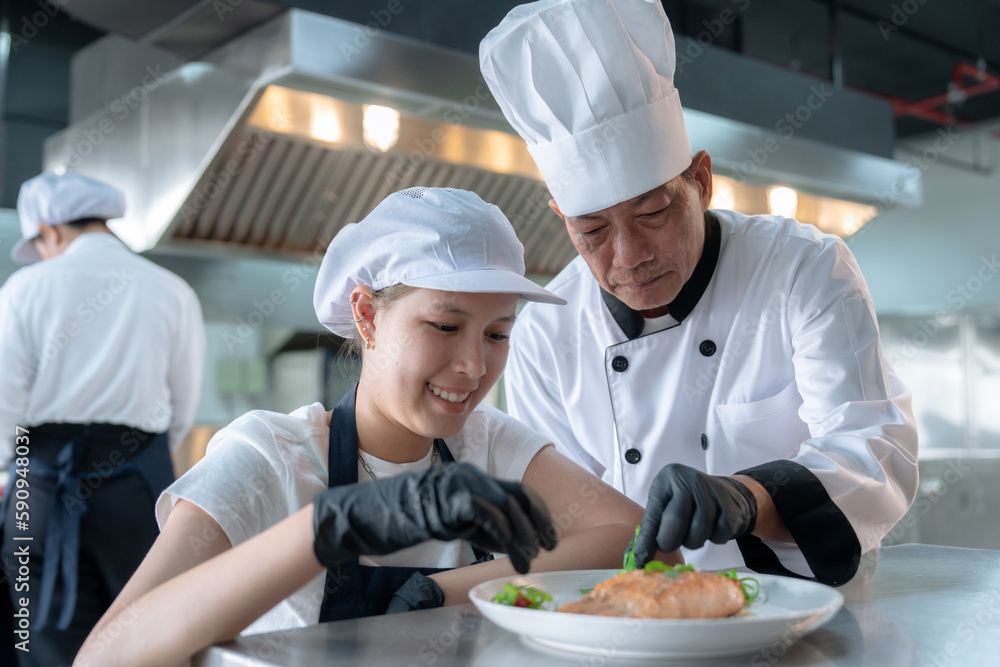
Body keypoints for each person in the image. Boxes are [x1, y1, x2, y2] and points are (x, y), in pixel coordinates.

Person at [74, 187, 655, 666]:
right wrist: (333, 526)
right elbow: (106, 656)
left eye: (497, 333)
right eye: (446, 326)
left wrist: (441, 592)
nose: (474, 366)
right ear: (367, 315)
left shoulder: (488, 442)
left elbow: (641, 545)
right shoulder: (269, 457)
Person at [480, 0, 919, 585]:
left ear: (701, 181)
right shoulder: (545, 331)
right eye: (592, 233)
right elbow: (559, 518)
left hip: (804, 611)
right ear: (562, 219)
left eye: (654, 212)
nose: (629, 256)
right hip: (638, 613)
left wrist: (748, 498)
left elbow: (873, 449)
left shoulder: (803, 268)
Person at [0, 172, 205, 666]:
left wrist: (12, 466)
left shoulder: (26, 287)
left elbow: (4, 400)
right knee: (145, 632)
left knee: (40, 634)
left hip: (41, 483)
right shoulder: (172, 290)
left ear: (48, 230)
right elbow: (182, 407)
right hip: (139, 484)